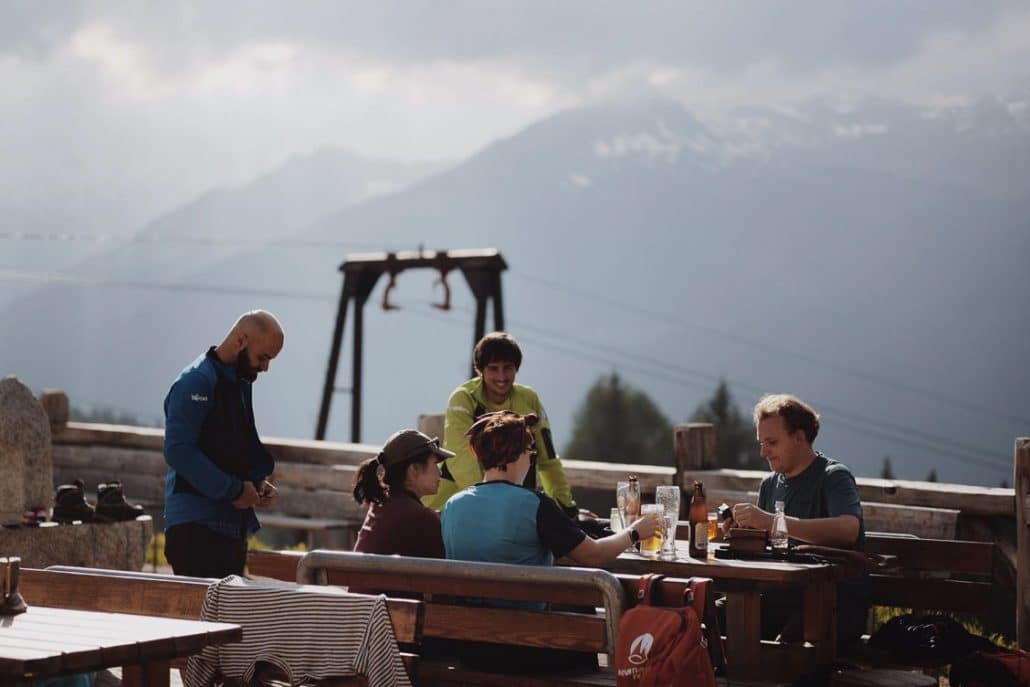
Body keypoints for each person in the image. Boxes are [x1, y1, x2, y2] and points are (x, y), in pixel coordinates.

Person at [441, 410, 662, 672]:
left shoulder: (452, 506)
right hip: (527, 647)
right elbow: (594, 555)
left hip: (471, 649)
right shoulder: (534, 504)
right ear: (515, 456)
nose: (530, 458)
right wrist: (635, 532)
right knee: (582, 619)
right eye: (529, 451)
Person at [726, 393, 869, 642]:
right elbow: (766, 547)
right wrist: (742, 532)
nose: (763, 452)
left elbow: (849, 530)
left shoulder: (833, 477)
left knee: (785, 650)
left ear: (799, 437)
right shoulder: (770, 485)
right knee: (713, 621)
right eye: (761, 442)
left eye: (771, 442)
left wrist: (772, 522)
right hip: (780, 597)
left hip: (830, 602)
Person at [162, 310, 284, 578]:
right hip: (196, 529)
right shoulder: (196, 381)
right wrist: (234, 490)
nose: (265, 367)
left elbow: (233, 443)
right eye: (263, 357)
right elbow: (178, 450)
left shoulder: (240, 380)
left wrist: (255, 482)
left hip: (230, 526)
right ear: (241, 340)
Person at [424, 332, 579, 519]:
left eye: (508, 368)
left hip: (511, 504)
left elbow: (548, 460)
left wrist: (567, 510)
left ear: (516, 368)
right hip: (454, 505)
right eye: (493, 368)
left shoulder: (529, 399)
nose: (502, 376)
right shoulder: (463, 398)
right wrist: (492, 504)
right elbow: (461, 459)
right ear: (480, 370)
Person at [352, 429, 452, 558]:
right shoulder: (422, 518)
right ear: (414, 469)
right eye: (435, 464)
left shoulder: (380, 505)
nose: (440, 473)